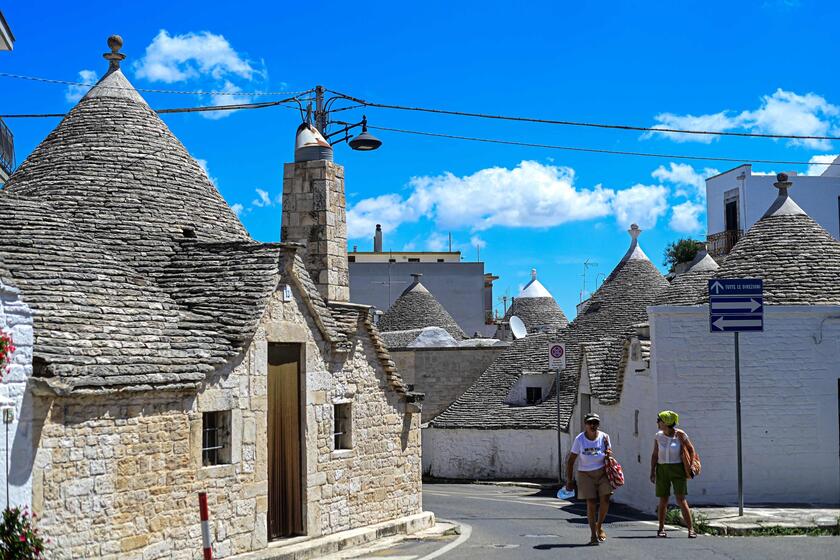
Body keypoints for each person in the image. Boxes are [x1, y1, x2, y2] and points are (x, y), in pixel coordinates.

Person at [565, 413, 613, 545]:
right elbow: (571, 461)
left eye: (595, 423)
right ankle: (593, 534)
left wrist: (608, 455)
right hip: (585, 474)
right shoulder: (579, 439)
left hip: (602, 472)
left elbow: (608, 454)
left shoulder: (604, 437)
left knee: (606, 499)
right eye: (590, 423)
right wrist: (569, 480)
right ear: (585, 424)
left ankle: (599, 525)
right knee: (591, 503)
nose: (593, 425)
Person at [651, 410, 697, 538]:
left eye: (659, 420)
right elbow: (655, 454)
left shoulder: (680, 435)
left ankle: (691, 529)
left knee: (681, 499)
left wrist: (691, 464)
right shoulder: (658, 436)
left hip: (678, 469)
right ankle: (661, 528)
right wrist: (652, 471)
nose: (657, 423)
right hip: (662, 469)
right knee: (663, 500)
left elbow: (691, 449)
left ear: (666, 422)